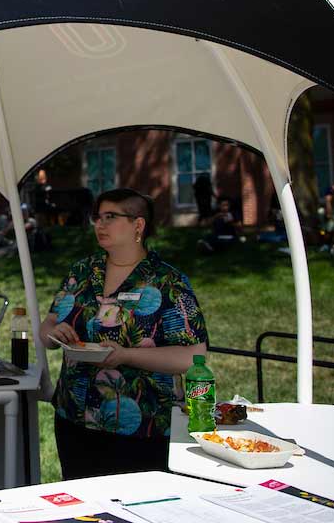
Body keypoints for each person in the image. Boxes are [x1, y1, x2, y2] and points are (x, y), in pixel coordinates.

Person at [40, 188, 208, 479]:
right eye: (97, 217)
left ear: (138, 225)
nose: (99, 224)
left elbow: (193, 355)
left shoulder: (167, 281)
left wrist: (126, 356)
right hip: (75, 416)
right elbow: (47, 327)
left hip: (143, 425)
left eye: (110, 217)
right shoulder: (81, 271)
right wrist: (56, 332)